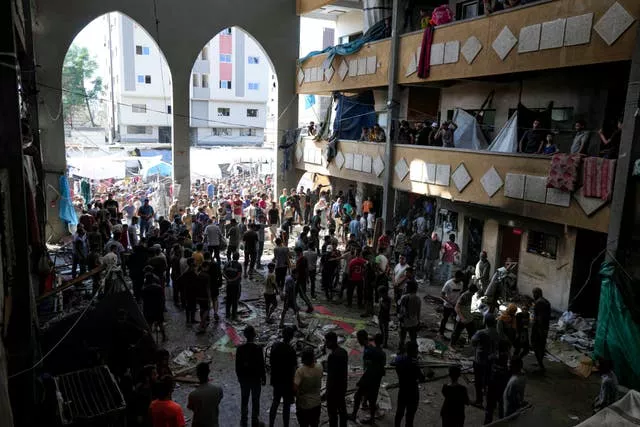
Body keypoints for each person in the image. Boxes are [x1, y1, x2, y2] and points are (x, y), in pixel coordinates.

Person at [351, 331, 386, 424]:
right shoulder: (382, 353)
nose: (358, 341)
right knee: (373, 398)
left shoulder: (369, 350)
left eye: (358, 339)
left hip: (369, 376)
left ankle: (354, 414)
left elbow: (368, 367)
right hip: (377, 377)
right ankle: (372, 419)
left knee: (358, 395)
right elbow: (383, 365)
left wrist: (362, 380)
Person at [235, 325, 266, 427]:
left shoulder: (240, 349)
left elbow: (237, 366)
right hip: (255, 379)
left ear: (244, 335)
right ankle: (254, 420)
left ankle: (244, 420)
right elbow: (262, 365)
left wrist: (239, 378)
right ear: (254, 335)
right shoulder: (258, 348)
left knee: (244, 399)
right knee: (255, 400)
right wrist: (263, 378)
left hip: (244, 379)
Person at [269, 326, 298, 427]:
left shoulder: (275, 346)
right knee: (286, 406)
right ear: (291, 337)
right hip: (287, 381)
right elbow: (294, 369)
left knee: (275, 402)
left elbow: (271, 362)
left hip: (277, 379)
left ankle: (271, 424)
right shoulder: (291, 351)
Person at [393, 341, 426, 427]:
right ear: (413, 351)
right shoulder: (414, 364)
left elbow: (394, 363)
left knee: (399, 412)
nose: (417, 352)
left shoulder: (398, 359)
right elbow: (422, 378)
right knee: (410, 416)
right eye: (416, 350)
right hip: (412, 391)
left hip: (403, 388)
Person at [471, 314, 500, 406]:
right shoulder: (496, 333)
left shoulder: (481, 332)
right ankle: (491, 401)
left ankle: (479, 401)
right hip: (491, 360)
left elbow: (473, 342)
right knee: (488, 380)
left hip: (480, 360)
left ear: (485, 321)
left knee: (478, 381)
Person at [188, 362, 224, 427]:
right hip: (213, 423)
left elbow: (191, 407)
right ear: (209, 371)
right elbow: (219, 400)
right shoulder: (218, 389)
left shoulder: (193, 395)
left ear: (197, 374)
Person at [294, 348, 323, 427]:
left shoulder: (300, 371)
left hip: (304, 404)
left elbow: (294, 388)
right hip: (317, 402)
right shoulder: (319, 367)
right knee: (315, 424)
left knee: (303, 424)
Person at [325, 331, 349, 427]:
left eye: (327, 341)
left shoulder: (332, 356)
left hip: (333, 389)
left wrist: (327, 391)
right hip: (342, 386)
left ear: (331, 342)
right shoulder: (343, 352)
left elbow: (330, 375)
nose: (326, 344)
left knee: (332, 413)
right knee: (342, 409)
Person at [484, 340, 510, 424]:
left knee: (490, 407)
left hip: (493, 384)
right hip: (502, 385)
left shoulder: (493, 357)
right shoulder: (507, 358)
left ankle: (488, 422)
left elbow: (487, 370)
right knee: (501, 406)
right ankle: (500, 422)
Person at [398, 275, 421, 352]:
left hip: (405, 322)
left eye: (406, 286)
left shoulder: (404, 297)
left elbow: (402, 311)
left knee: (402, 338)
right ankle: (413, 352)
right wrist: (418, 322)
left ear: (409, 288)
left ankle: (401, 351)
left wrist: (400, 320)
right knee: (413, 339)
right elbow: (418, 312)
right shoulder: (418, 299)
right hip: (414, 322)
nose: (405, 287)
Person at [439, 270, 464, 338]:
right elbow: (442, 295)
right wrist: (450, 302)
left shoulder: (461, 283)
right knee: (445, 319)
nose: (461, 279)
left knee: (456, 320)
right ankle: (441, 332)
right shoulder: (448, 284)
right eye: (461, 278)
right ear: (457, 277)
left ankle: (454, 334)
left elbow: (460, 293)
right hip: (448, 305)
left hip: (456, 306)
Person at [531, 287, 551, 372]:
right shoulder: (546, 301)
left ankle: (541, 366)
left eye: (533, 294)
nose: (533, 296)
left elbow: (540, 318)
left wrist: (539, 330)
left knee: (535, 345)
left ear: (536, 293)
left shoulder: (539, 303)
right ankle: (540, 362)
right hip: (545, 327)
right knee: (541, 346)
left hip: (539, 328)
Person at [223, 252, 242, 320]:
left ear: (232, 256)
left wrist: (228, 279)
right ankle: (234, 315)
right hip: (236, 285)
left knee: (228, 299)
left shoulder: (227, 263)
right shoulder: (239, 265)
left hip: (229, 284)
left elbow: (223, 273)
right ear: (238, 257)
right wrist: (233, 280)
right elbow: (239, 275)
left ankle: (227, 314)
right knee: (235, 300)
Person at [294, 247, 314, 313]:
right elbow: (306, 269)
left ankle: (310, 306)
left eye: (296, 252)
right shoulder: (304, 259)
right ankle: (295, 305)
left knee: (302, 294)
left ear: (298, 252)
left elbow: (299, 270)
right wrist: (307, 278)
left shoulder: (301, 259)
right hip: (301, 278)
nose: (296, 253)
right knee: (296, 293)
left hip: (300, 279)